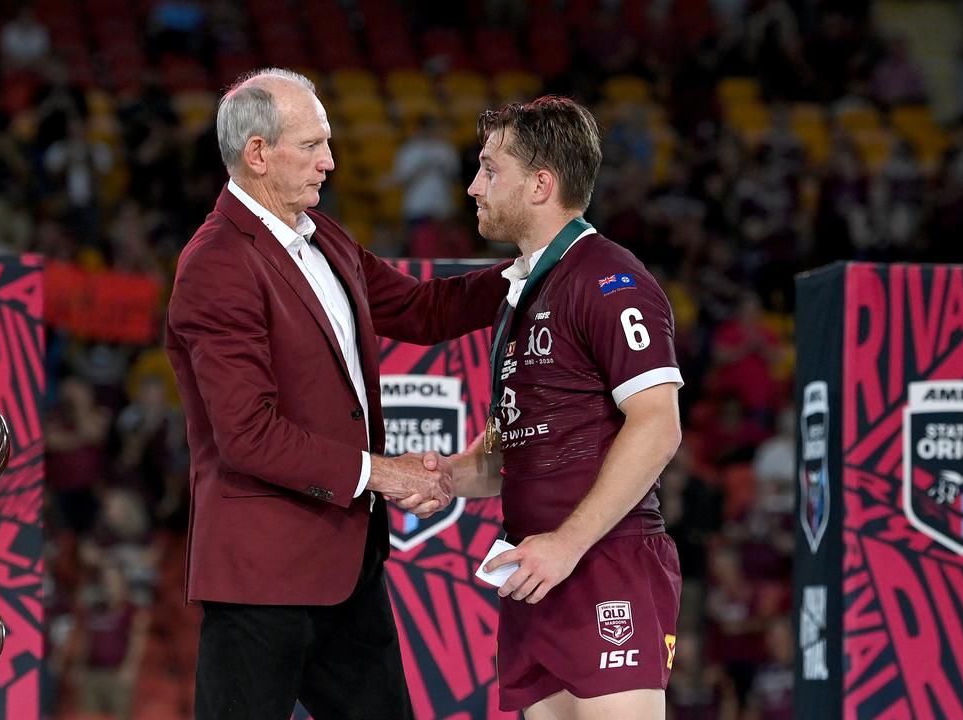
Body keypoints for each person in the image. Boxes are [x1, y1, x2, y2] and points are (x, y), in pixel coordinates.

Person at [165, 68, 509, 720]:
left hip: (349, 568)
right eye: (312, 145)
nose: (329, 161)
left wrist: (533, 273)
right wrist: (383, 472)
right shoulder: (216, 264)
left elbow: (425, 309)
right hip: (261, 581)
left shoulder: (323, 237)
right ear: (258, 153)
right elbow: (248, 435)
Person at [415, 96, 684, 718]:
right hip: (537, 571)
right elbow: (521, 440)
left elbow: (658, 424)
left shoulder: (609, 277)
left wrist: (565, 545)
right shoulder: (520, 287)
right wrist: (450, 475)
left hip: (601, 563)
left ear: (541, 185)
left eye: (489, 169)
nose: (472, 185)